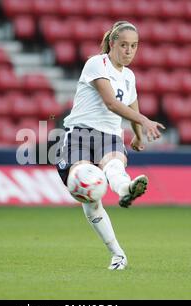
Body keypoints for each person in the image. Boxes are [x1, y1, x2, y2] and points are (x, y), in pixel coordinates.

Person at [55, 21, 165, 270]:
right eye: (124, 45)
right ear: (112, 43)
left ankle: (126, 189)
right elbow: (112, 104)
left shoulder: (129, 76)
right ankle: (117, 253)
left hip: (110, 135)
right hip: (80, 134)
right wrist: (144, 121)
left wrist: (137, 135)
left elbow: (132, 105)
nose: (129, 51)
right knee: (87, 187)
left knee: (114, 165)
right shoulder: (97, 63)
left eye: (134, 46)